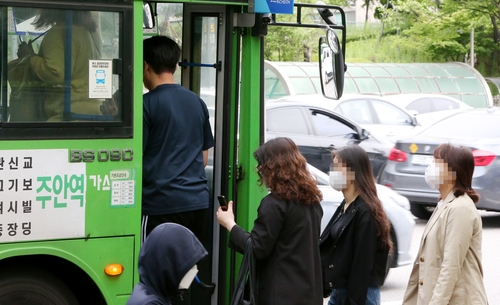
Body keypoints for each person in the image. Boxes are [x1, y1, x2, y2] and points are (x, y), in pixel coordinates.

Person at [217, 137, 324, 305]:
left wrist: (230, 224)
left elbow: (258, 248)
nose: (260, 170)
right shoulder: (312, 202)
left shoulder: (273, 204)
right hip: (309, 293)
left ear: (272, 168)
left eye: (262, 166)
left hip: (280, 295)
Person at [142, 35, 214, 242]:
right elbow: (204, 156)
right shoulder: (196, 102)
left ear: (145, 65)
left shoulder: (146, 104)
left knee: (155, 269)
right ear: (174, 65)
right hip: (197, 204)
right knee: (185, 269)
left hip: (161, 206)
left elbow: (137, 155)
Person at [402, 143, 487, 304]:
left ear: (454, 173)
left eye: (437, 163)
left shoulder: (460, 208)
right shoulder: (445, 204)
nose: (430, 168)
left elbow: (451, 265)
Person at [320, 145, 392, 305]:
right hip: (340, 291)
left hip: (359, 294)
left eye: (338, 167)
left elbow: (363, 263)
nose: (333, 173)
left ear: (354, 172)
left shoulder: (366, 211)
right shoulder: (346, 206)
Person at [9, 9, 103, 121]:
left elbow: (56, 73)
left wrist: (29, 57)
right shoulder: (91, 32)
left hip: (66, 115)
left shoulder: (61, 32)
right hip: (94, 112)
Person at [127, 223, 208, 305]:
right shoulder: (151, 303)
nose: (195, 270)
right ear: (169, 266)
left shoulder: (154, 293)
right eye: (188, 266)